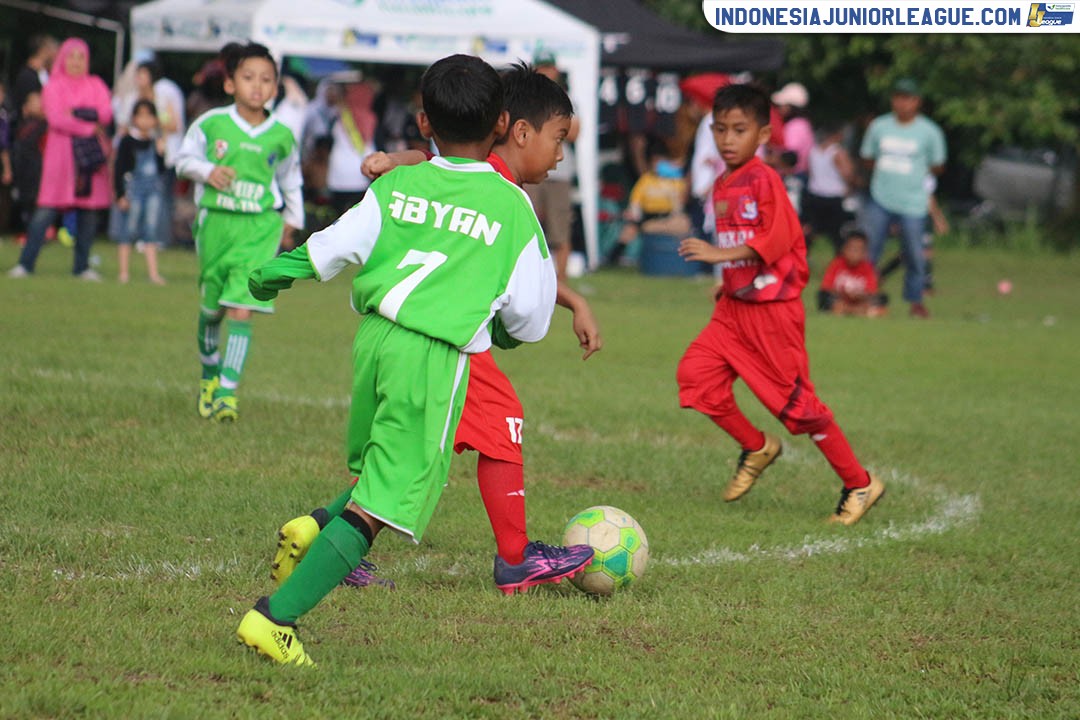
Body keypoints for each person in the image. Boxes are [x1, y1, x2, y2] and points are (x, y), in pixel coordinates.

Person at [235, 54, 559, 666]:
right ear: (500, 127)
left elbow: (331, 247)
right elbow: (531, 319)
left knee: (376, 473)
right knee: (377, 506)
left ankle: (306, 534)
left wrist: (271, 276)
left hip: (375, 345)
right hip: (433, 359)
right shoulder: (512, 207)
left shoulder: (395, 184)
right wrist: (502, 333)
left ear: (422, 123)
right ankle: (274, 620)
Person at [279, 62, 602, 596]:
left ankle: (317, 530)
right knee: (501, 427)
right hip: (451, 343)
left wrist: (574, 300)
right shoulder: (494, 184)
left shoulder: (482, 170)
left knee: (407, 450)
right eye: (558, 138)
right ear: (515, 129)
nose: (562, 153)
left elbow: (430, 165)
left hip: (426, 334)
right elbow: (432, 166)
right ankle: (515, 560)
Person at [676, 84, 884, 526]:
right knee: (695, 379)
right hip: (734, 308)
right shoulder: (722, 184)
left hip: (773, 313)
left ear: (764, 134)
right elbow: (741, 243)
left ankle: (859, 482)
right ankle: (756, 446)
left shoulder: (765, 179)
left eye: (740, 129)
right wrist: (729, 280)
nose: (728, 139)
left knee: (800, 410)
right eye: (720, 129)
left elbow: (776, 240)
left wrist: (719, 257)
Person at [175, 42, 303, 422]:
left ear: (275, 88)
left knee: (242, 310)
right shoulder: (211, 123)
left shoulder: (281, 135)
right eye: (248, 78)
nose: (257, 86)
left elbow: (290, 179)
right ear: (230, 83)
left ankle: (228, 393)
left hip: (259, 227)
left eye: (266, 80)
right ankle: (209, 375)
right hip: (216, 225)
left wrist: (291, 220)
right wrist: (206, 172)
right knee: (212, 312)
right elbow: (182, 160)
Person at [8, 38, 112, 281]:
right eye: (71, 56)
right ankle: (26, 263)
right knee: (46, 209)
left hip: (89, 159)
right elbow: (56, 118)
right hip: (62, 157)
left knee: (88, 211)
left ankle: (82, 266)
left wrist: (74, 114)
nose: (76, 62)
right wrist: (87, 123)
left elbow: (105, 113)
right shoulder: (54, 85)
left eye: (81, 57)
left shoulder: (95, 84)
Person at [859, 77, 946, 319]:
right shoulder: (879, 126)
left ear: (916, 102)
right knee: (870, 250)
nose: (901, 103)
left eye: (907, 98)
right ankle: (866, 295)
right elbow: (867, 157)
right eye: (897, 97)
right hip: (880, 197)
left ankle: (915, 300)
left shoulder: (929, 132)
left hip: (913, 202)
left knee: (914, 253)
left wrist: (914, 170)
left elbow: (938, 165)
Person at [525, 51, 577, 280]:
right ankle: (529, 278)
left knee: (560, 230)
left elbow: (575, 132)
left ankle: (561, 284)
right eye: (541, 67)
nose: (546, 72)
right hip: (530, 169)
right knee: (527, 226)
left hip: (560, 173)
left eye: (549, 67)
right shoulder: (526, 100)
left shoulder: (567, 99)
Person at [606, 136, 689, 266]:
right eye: (655, 161)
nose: (657, 164)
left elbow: (681, 202)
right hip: (647, 214)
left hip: (667, 215)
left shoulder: (675, 180)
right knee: (629, 230)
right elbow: (635, 201)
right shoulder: (646, 179)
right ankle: (611, 259)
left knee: (682, 225)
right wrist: (634, 213)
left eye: (660, 161)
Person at [113, 99, 167, 285]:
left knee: (151, 230)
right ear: (134, 118)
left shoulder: (155, 142)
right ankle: (123, 272)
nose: (144, 120)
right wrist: (120, 194)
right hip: (133, 190)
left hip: (152, 191)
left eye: (149, 116)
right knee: (128, 230)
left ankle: (153, 273)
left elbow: (161, 171)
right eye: (140, 116)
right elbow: (119, 169)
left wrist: (161, 153)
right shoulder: (127, 141)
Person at [803, 120, 857, 253]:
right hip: (833, 197)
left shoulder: (813, 151)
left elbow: (809, 172)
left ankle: (802, 256)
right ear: (837, 135)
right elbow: (848, 174)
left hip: (814, 195)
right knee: (837, 234)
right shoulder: (838, 153)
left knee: (810, 231)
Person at [818, 230, 888, 317]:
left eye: (859, 250)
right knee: (824, 296)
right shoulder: (836, 264)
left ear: (865, 253)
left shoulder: (867, 267)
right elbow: (826, 288)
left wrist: (859, 295)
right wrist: (844, 293)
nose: (855, 254)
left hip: (860, 301)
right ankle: (861, 312)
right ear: (844, 249)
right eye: (852, 249)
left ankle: (846, 310)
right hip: (841, 299)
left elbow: (872, 291)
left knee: (882, 298)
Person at [10, 90, 46, 239]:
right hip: (23, 168)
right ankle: (27, 231)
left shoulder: (44, 125)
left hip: (36, 168)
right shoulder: (23, 125)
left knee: (35, 201)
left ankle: (37, 233)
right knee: (25, 200)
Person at [12, 35, 57, 125]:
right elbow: (31, 108)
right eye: (52, 48)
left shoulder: (42, 73)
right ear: (43, 50)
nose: (55, 52)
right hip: (28, 129)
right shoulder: (28, 76)